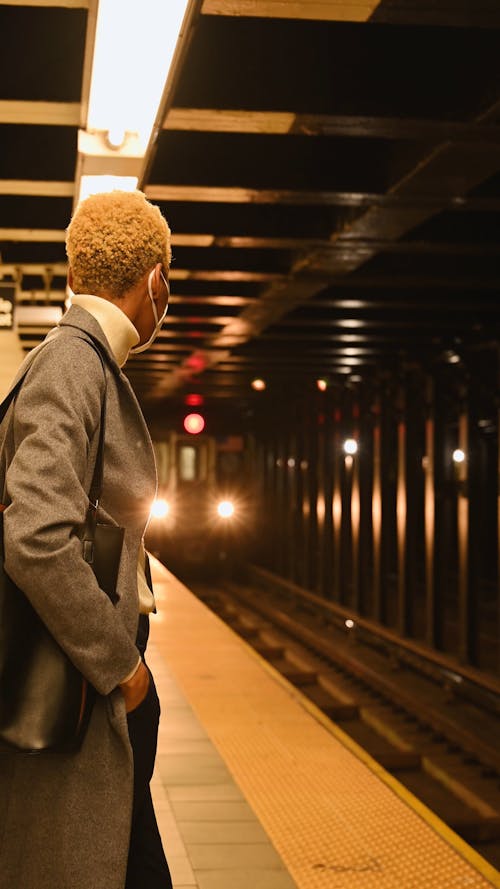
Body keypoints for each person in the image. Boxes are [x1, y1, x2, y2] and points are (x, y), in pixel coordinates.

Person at [0, 190, 173, 889]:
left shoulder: (82, 362)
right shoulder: (74, 363)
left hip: (84, 687)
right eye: (170, 283)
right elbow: (36, 534)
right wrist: (122, 669)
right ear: (155, 279)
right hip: (81, 687)